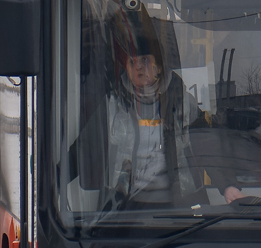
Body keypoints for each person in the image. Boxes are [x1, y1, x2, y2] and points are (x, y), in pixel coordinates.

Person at [100, 29, 244, 209]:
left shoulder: (181, 100)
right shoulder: (114, 102)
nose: (138, 67)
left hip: (179, 204)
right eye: (132, 62)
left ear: (158, 67)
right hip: (126, 206)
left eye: (145, 60)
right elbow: (87, 145)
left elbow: (206, 142)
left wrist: (227, 185)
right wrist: (56, 177)